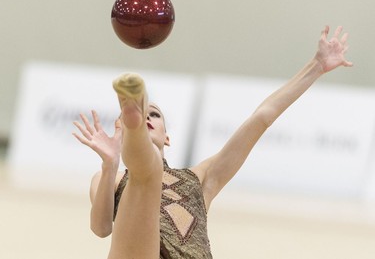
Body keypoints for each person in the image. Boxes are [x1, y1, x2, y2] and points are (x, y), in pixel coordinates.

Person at [73, 25, 353, 259]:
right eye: (142, 113)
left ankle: (132, 113)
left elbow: (261, 118)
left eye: (154, 115)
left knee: (150, 170)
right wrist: (110, 166)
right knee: (144, 175)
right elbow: (100, 229)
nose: (151, 118)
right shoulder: (110, 176)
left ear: (167, 137)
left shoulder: (200, 178)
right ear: (118, 130)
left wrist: (316, 66)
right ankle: (132, 116)